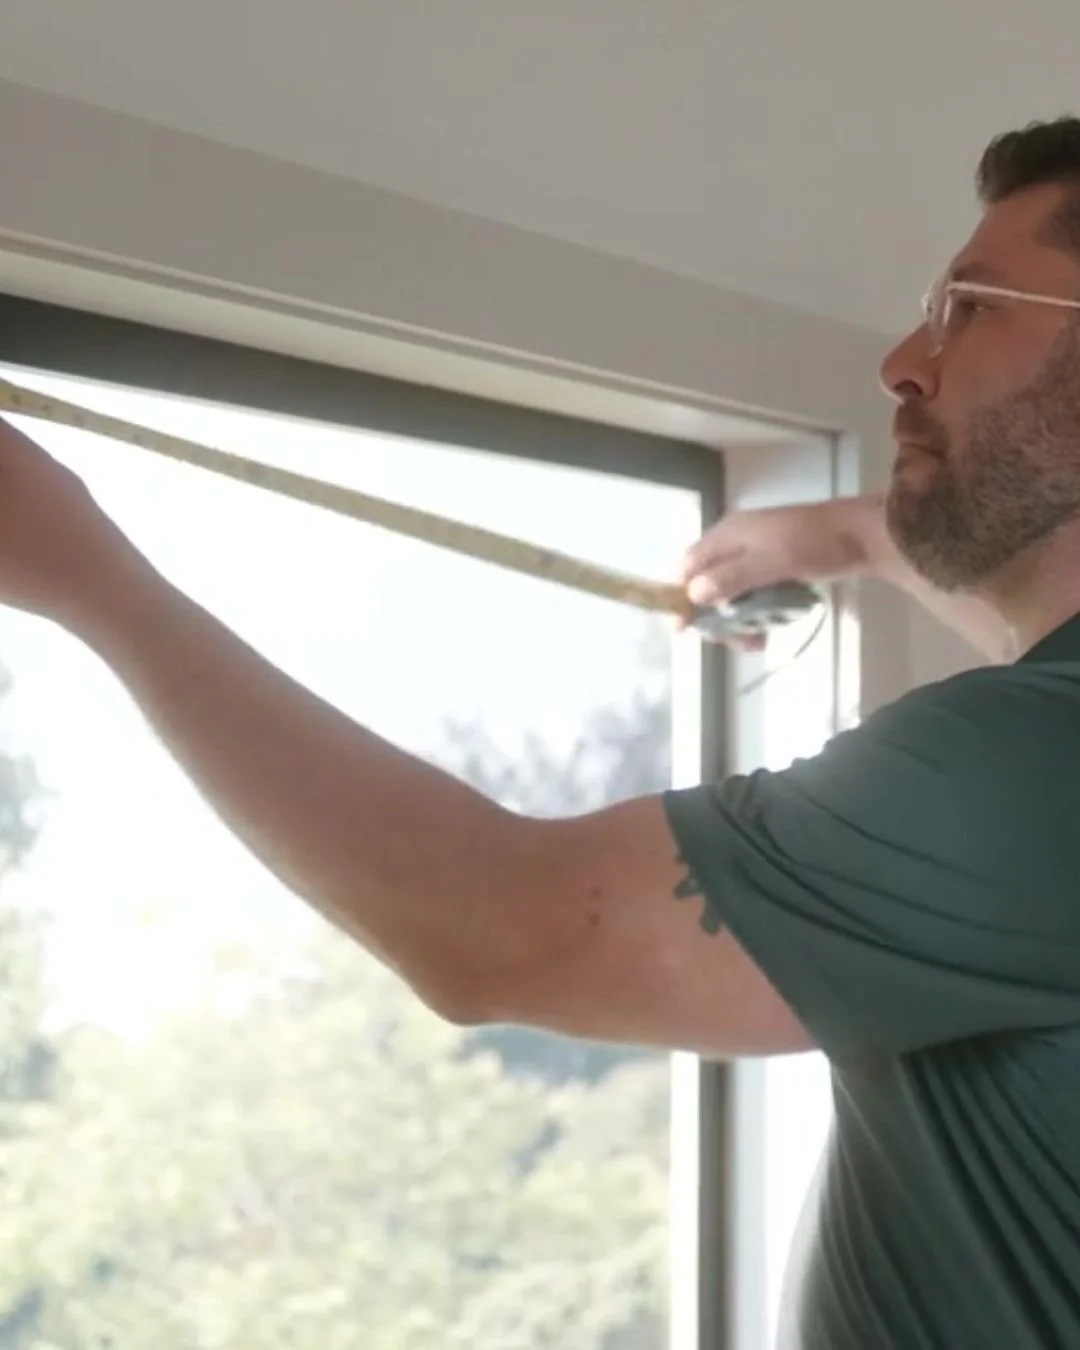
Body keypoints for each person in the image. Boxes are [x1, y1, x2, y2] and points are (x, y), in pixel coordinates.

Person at [3, 116, 1080, 1348]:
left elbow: (497, 928)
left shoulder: (1029, 765)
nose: (902, 360)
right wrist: (842, 534)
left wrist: (82, 572)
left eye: (967, 309)